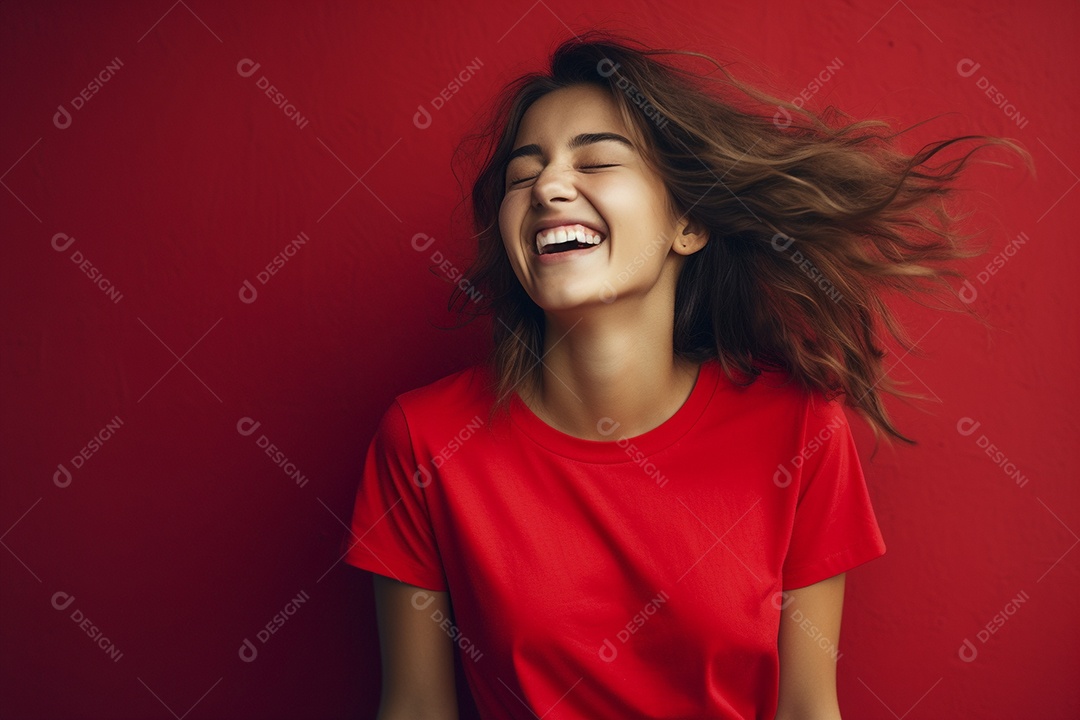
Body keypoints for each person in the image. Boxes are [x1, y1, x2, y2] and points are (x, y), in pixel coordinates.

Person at [342, 31, 1028, 720]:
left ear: (688, 224)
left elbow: (807, 709)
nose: (548, 187)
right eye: (523, 176)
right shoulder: (425, 440)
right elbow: (415, 707)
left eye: (597, 161)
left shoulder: (800, 430)